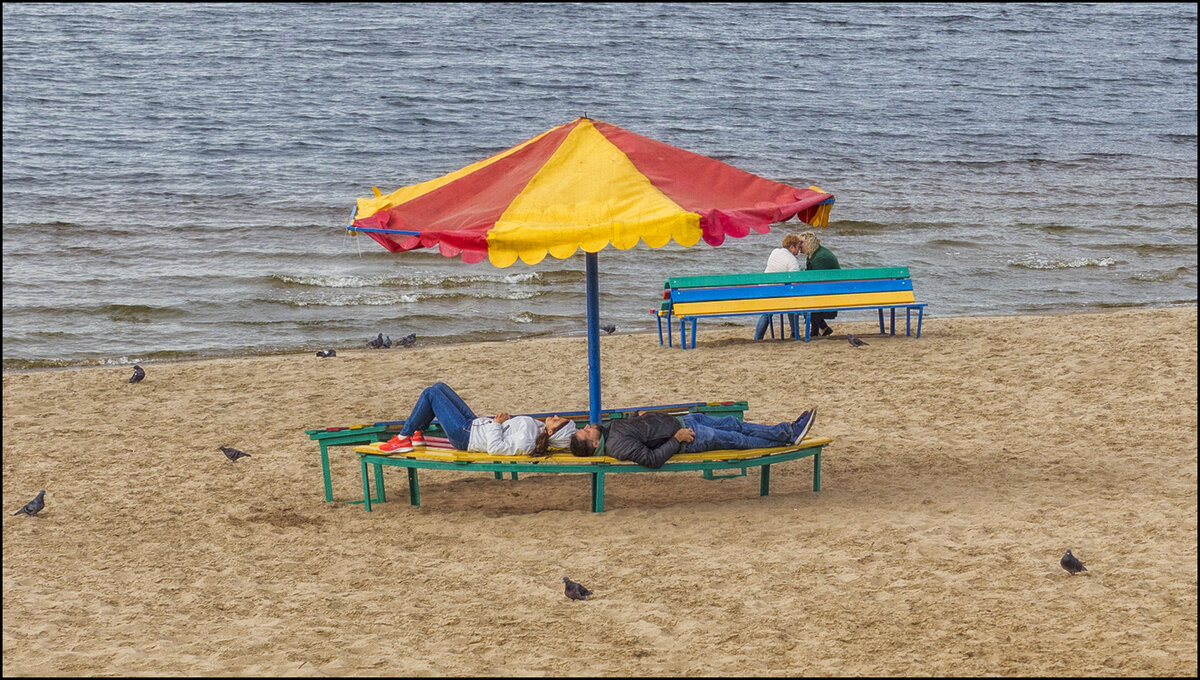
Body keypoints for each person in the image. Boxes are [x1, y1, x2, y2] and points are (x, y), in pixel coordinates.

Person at [567, 408, 818, 469]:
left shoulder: (608, 431)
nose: (588, 426)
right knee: (737, 439)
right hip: (690, 437)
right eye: (585, 431)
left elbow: (639, 430)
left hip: (686, 421)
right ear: (595, 444)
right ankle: (787, 435)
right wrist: (678, 439)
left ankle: (786, 433)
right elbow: (652, 459)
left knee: (734, 424)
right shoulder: (617, 446)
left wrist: (638, 416)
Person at [379, 382, 576, 456]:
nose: (556, 416)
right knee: (439, 388)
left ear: (552, 432)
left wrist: (498, 425)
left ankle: (404, 437)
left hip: (465, 436)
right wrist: (506, 420)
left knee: (430, 394)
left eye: (558, 421)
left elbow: (495, 448)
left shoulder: (527, 441)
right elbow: (510, 431)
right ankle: (416, 433)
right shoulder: (538, 429)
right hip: (474, 424)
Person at [753, 233, 803, 341]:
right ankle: (794, 333)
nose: (799, 250)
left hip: (764, 288)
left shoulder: (775, 252)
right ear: (791, 247)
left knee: (767, 313)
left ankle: (758, 337)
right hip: (777, 292)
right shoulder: (792, 261)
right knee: (791, 307)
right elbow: (795, 282)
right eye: (797, 247)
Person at [798, 230, 841, 337]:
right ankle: (822, 328)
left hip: (831, 291)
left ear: (809, 243)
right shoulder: (815, 254)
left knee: (808, 301)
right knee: (808, 299)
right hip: (829, 288)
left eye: (801, 242)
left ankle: (815, 331)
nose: (799, 245)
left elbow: (816, 280)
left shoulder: (820, 257)